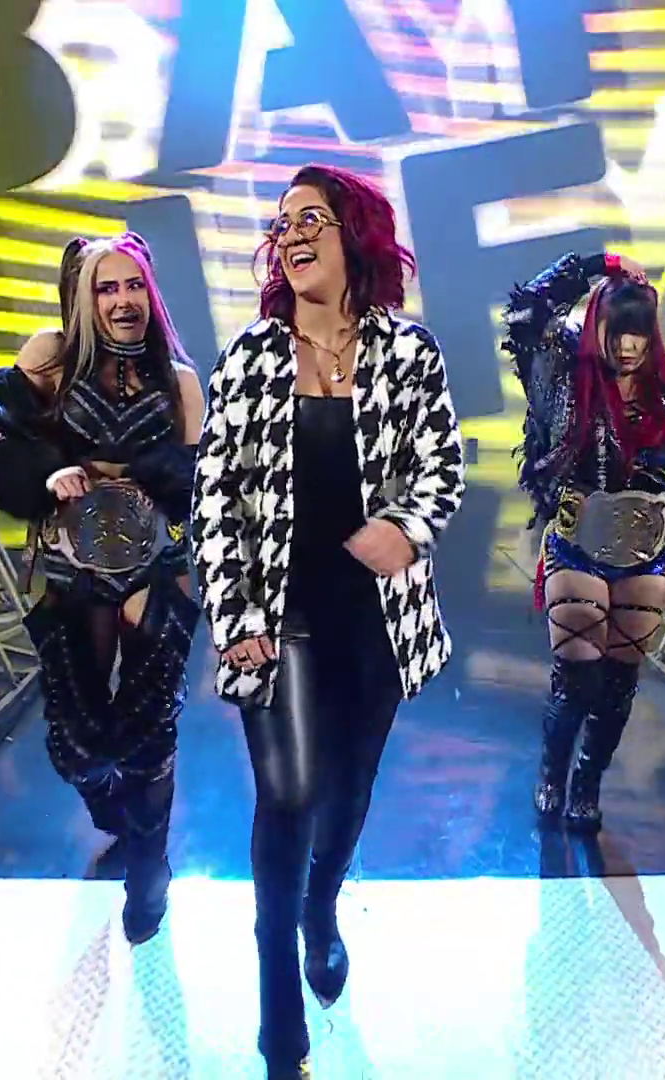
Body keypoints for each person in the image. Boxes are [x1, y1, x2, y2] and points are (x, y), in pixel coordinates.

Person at [193, 164, 464, 1079]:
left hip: (376, 618)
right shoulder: (249, 358)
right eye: (282, 224)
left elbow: (443, 468)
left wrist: (407, 527)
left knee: (347, 794)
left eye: (312, 217)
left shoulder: (409, 352)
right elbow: (216, 499)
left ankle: (321, 904)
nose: (293, 234)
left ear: (355, 232)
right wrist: (235, 613)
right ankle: (279, 1019)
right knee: (287, 796)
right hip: (278, 617)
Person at [0, 234, 202, 947]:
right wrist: (45, 472)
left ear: (151, 293)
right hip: (71, 563)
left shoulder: (180, 380)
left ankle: (150, 867)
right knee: (77, 745)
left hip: (156, 562)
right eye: (107, 287)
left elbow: (201, 480)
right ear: (85, 296)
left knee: (150, 727)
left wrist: (167, 480)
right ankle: (119, 817)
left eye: (133, 285)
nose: (122, 300)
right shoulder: (51, 357)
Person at [504, 247, 665, 833]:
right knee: (577, 676)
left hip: (649, 555)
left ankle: (587, 782)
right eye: (617, 331)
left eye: (639, 332)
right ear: (596, 325)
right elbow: (527, 309)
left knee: (619, 683)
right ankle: (552, 774)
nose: (627, 345)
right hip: (577, 544)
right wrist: (600, 262)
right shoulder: (562, 376)